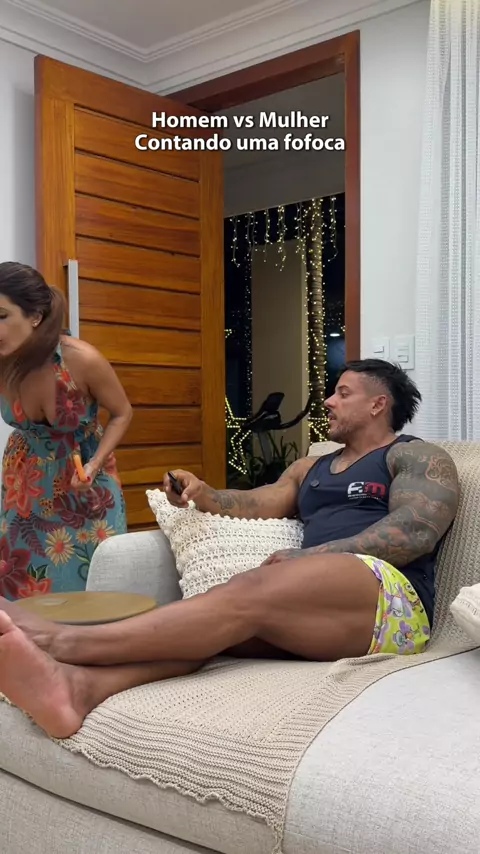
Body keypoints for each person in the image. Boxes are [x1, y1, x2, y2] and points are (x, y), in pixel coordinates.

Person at [0, 358, 459, 739]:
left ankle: (60, 641)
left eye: (343, 393)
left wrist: (311, 557)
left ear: (378, 404)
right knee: (206, 630)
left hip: (392, 605)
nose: (328, 402)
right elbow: (256, 503)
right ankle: (77, 689)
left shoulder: (413, 455)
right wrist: (201, 493)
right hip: (322, 608)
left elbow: (414, 531)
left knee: (250, 587)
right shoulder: (310, 468)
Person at [0, 262, 132, 598]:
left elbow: (122, 413)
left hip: (85, 482)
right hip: (24, 484)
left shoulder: (81, 360)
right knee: (24, 589)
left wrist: (94, 464)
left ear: (35, 316)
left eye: (1, 316)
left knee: (95, 591)